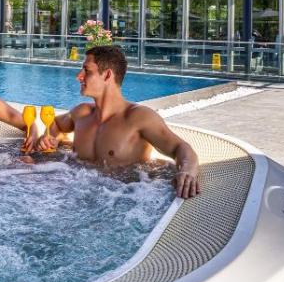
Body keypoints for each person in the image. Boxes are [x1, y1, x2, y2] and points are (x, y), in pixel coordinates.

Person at [44, 45, 201, 199]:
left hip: (123, 199)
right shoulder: (81, 113)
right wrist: (52, 139)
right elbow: (55, 124)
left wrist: (187, 171)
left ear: (107, 75)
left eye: (87, 70)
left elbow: (180, 148)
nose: (79, 76)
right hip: (74, 193)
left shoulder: (138, 117)